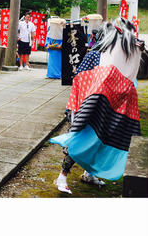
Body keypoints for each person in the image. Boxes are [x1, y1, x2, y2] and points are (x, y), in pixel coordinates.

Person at [50, 18, 145, 194]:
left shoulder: (121, 61)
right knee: (79, 140)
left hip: (107, 108)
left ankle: (89, 173)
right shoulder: (95, 55)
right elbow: (80, 80)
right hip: (86, 106)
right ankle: (62, 176)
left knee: (100, 141)